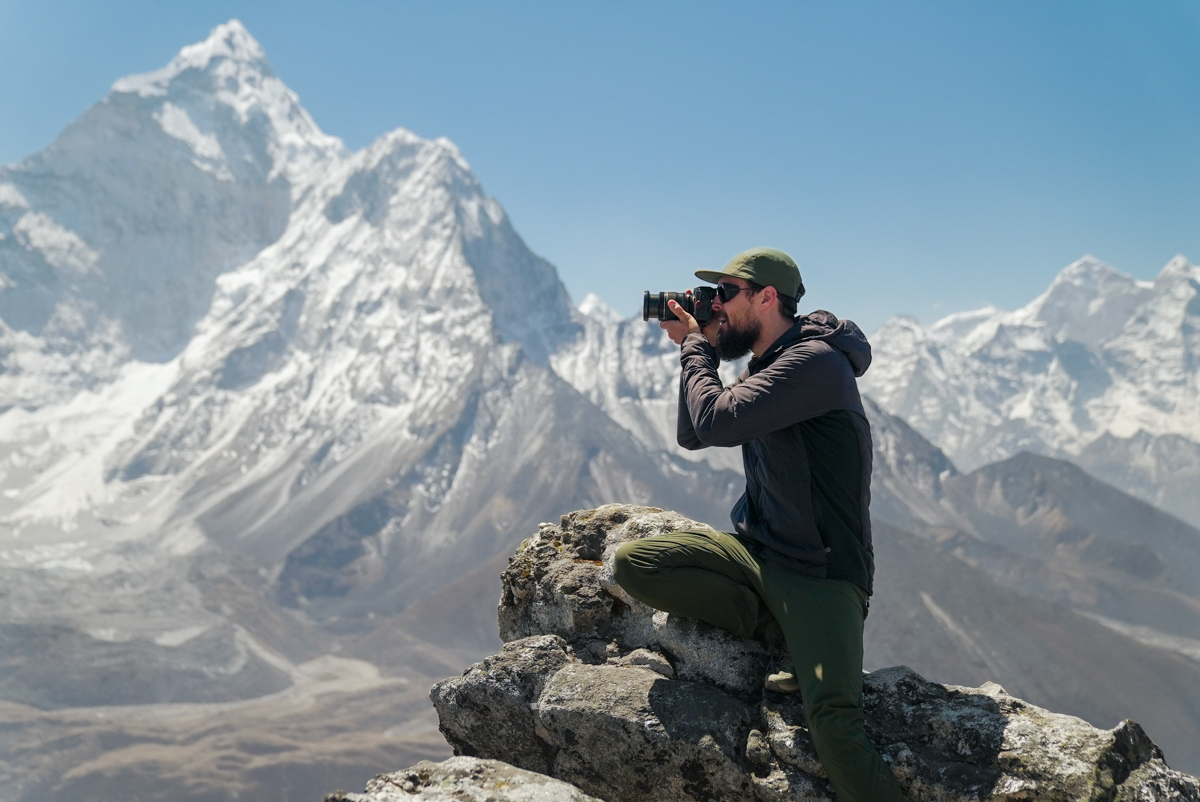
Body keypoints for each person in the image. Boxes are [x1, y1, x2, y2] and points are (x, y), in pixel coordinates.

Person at [612, 248, 906, 802]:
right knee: (635, 563)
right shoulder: (765, 366)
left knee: (835, 730)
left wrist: (698, 346)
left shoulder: (816, 364)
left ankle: (798, 631)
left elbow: (717, 422)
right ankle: (779, 631)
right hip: (760, 555)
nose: (714, 305)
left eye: (725, 294)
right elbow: (694, 433)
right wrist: (698, 351)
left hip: (822, 575)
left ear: (766, 298)